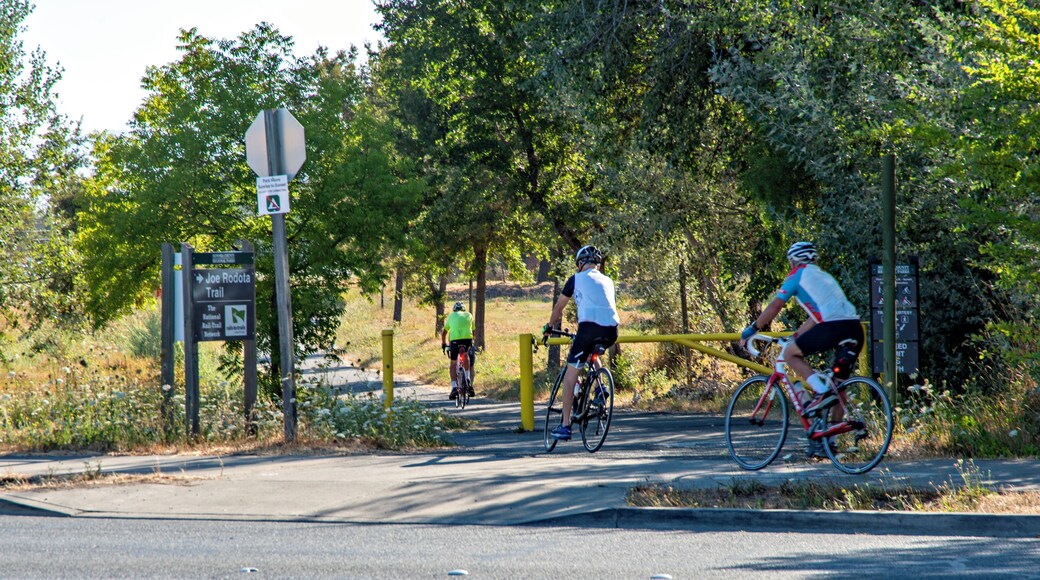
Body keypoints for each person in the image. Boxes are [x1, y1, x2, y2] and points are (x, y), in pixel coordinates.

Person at [739, 241, 864, 417]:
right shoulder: (825, 277)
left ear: (794, 261)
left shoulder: (797, 274)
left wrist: (752, 328)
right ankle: (831, 440)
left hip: (832, 327)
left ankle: (821, 392)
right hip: (854, 329)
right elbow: (815, 317)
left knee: (790, 354)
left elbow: (775, 306)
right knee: (839, 387)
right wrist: (796, 336)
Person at [543, 245, 620, 441]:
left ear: (580, 264)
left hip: (588, 328)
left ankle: (565, 426)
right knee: (592, 353)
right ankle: (601, 387)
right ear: (598, 264)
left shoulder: (575, 279)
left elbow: (559, 307)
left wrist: (549, 327)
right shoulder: (609, 280)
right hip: (612, 330)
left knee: (570, 377)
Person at [442, 301, 475, 400]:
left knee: (453, 363)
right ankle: (468, 379)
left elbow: (444, 333)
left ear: (454, 309)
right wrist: (471, 342)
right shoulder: (469, 315)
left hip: (455, 341)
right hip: (467, 339)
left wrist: (444, 344)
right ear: (463, 309)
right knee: (466, 356)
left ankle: (454, 387)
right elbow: (474, 331)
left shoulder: (451, 316)